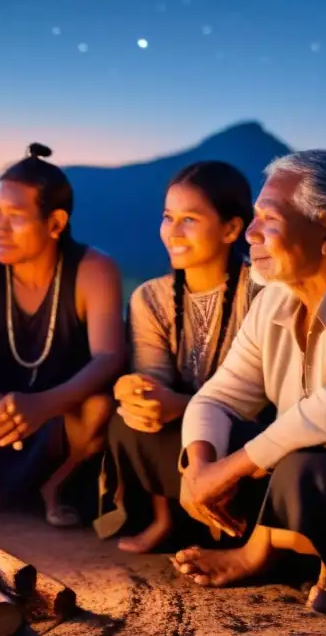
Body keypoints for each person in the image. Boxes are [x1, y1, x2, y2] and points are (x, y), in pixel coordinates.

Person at [173, 150, 326, 615]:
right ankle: (303, 546)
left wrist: (234, 467)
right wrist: (201, 468)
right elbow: (217, 397)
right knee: (181, 447)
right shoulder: (275, 301)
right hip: (306, 473)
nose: (252, 234)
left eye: (268, 219)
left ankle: (264, 553)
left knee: (302, 468)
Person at [0, 143, 125, 525]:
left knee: (100, 407)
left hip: (59, 413)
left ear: (55, 223)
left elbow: (109, 356)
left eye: (15, 216)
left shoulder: (93, 269)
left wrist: (43, 404)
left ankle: (57, 487)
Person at [96, 161, 259, 553]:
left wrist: (185, 408)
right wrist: (139, 393)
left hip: (244, 437)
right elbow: (155, 382)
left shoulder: (262, 292)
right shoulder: (150, 298)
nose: (173, 232)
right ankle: (166, 520)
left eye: (190, 219)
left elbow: (268, 404)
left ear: (231, 229)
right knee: (127, 423)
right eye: (168, 217)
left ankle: (249, 535)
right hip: (176, 438)